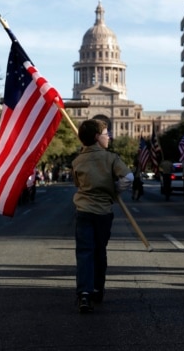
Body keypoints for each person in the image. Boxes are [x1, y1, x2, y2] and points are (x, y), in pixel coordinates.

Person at [72, 119, 134, 313]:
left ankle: (84, 294)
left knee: (84, 252)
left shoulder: (77, 160)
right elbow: (128, 177)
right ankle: (97, 289)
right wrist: (114, 189)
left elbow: (78, 184)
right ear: (98, 137)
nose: (109, 137)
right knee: (100, 251)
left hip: (83, 210)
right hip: (103, 212)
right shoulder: (111, 158)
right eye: (107, 134)